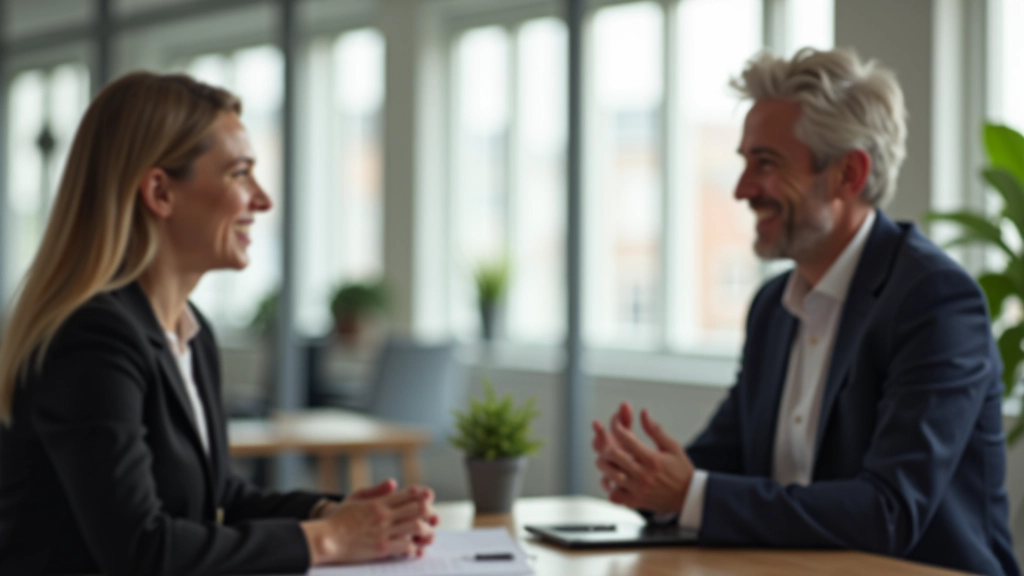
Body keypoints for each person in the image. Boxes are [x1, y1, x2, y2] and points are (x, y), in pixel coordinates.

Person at [591, 47, 1020, 576]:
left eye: (766, 163)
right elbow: (722, 462)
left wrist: (691, 493)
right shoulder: (772, 308)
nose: (742, 190)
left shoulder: (934, 300)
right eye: (744, 162)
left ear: (848, 174)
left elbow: (888, 512)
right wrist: (650, 480)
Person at [0, 72, 437, 576]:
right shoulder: (92, 339)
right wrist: (331, 540)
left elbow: (218, 495)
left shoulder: (190, 332)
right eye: (239, 173)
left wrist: (330, 513)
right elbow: (142, 551)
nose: (263, 199)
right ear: (160, 192)